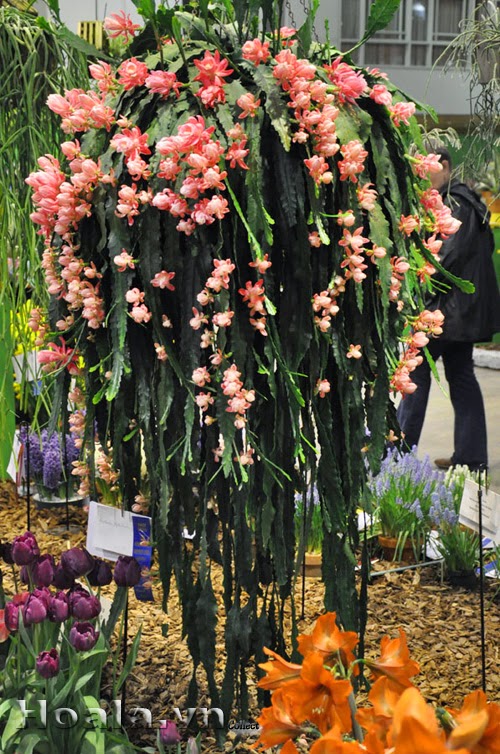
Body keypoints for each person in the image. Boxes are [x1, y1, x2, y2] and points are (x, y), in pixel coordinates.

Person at [397, 147, 500, 471]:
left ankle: (397, 456)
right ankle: (470, 458)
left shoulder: (454, 202)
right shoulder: (468, 201)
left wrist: (416, 286)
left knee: (415, 372)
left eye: (425, 167)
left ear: (443, 165)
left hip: (446, 312)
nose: (422, 175)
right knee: (461, 375)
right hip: (461, 312)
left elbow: (444, 257)